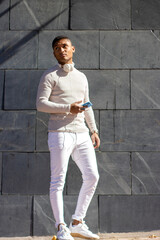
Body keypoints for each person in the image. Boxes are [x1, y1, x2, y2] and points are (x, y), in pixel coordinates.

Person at [36, 36, 100, 240]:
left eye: (64, 46)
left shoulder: (81, 77)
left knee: (92, 176)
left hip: (81, 134)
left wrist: (94, 130)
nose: (61, 50)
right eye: (57, 48)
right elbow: (41, 104)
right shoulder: (50, 76)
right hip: (59, 134)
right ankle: (61, 227)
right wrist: (67, 108)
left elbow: (87, 103)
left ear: (73, 48)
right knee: (58, 181)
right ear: (54, 53)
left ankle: (77, 222)